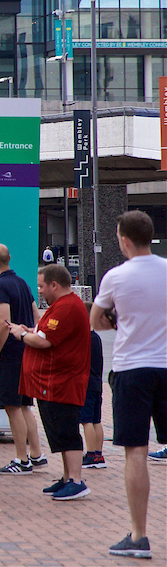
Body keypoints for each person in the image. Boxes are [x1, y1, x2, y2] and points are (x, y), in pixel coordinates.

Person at [90, 210, 167, 559]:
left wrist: (119, 321)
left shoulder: (115, 277)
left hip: (132, 370)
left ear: (122, 239)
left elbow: (96, 320)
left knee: (135, 450)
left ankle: (139, 536)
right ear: (150, 236)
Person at [9, 264, 92, 501]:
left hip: (62, 382)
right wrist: (30, 331)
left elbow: (44, 342)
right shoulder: (61, 306)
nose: (41, 291)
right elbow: (44, 334)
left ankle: (76, 480)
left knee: (67, 432)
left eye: (42, 286)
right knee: (59, 432)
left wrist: (22, 334)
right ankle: (67, 478)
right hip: (53, 382)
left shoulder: (66, 307)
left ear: (54, 285)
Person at [0, 243, 47, 474]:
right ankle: (36, 454)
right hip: (26, 351)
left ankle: (21, 459)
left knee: (12, 407)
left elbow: (3, 322)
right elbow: (36, 315)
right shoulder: (22, 282)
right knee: (24, 406)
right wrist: (29, 333)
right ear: (9, 258)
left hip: (10, 354)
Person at [81, 322, 105, 469]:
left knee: (86, 420)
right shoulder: (96, 338)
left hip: (86, 383)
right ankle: (99, 454)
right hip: (97, 382)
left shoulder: (83, 338)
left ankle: (90, 455)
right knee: (96, 420)